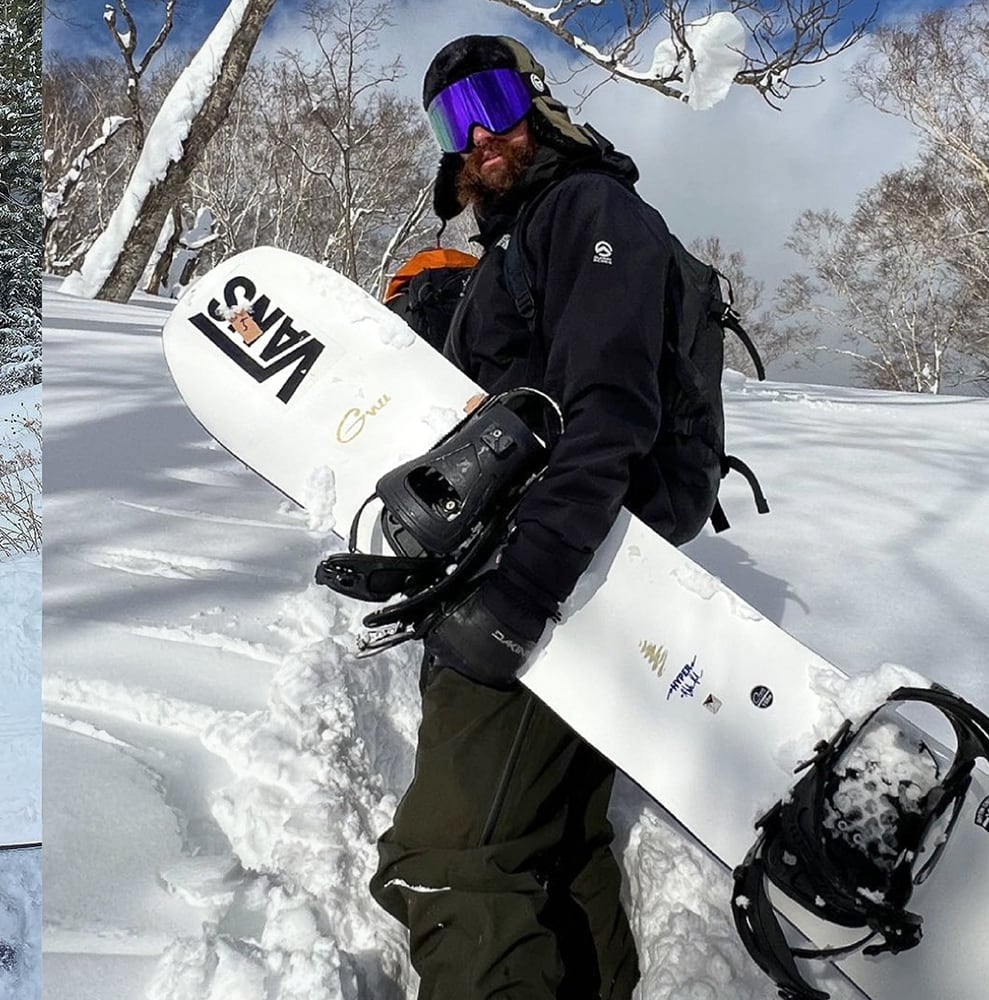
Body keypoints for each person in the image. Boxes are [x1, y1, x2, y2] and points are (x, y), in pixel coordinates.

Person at [368, 34, 704, 1000]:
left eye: (493, 102)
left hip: (552, 578)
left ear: (539, 103)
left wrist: (520, 593)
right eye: (454, 120)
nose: (479, 136)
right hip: (548, 576)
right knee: (551, 851)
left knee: (450, 863)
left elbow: (609, 415)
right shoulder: (510, 250)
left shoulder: (589, 210)